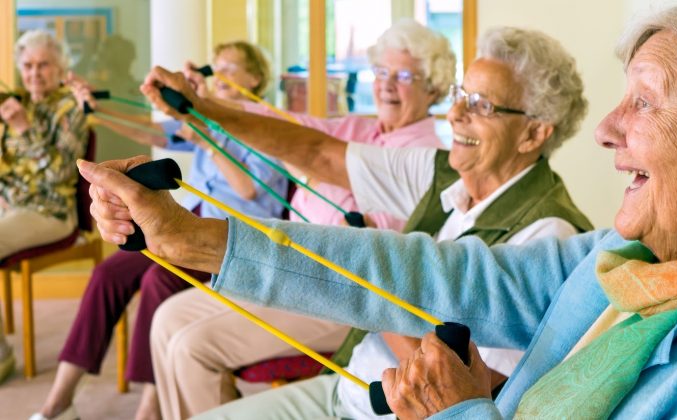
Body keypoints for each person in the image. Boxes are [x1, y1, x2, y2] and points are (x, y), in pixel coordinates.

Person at [85, 1, 677, 418]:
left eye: (645, 102)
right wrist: (194, 239)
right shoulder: (636, 258)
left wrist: (454, 409)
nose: (606, 130)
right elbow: (433, 272)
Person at [151, 25, 591, 419]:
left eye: (481, 105)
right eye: (461, 96)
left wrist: (370, 285)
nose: (456, 115)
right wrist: (200, 109)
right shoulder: (442, 172)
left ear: (534, 133)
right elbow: (318, 152)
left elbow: (488, 388)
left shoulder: (550, 234)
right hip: (345, 388)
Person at [149, 20, 455, 419]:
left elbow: (377, 250)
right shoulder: (358, 128)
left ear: (432, 87)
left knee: (191, 347)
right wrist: (204, 104)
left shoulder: (426, 156)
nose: (386, 84)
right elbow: (292, 130)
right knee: (167, 319)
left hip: (338, 293)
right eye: (381, 72)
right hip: (285, 268)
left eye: (403, 76)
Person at [32, 41, 288, 420]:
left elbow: (249, 190)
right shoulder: (208, 118)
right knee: (109, 273)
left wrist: (207, 139)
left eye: (231, 68)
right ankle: (60, 401)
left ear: (257, 76)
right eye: (216, 67)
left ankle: (150, 407)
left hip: (236, 238)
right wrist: (98, 111)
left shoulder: (265, 125)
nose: (220, 75)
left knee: (157, 278)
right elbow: (148, 131)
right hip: (192, 223)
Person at [0, 30, 88, 386]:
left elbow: (59, 174)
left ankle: (1, 357)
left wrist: (23, 127)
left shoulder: (70, 108)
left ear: (60, 67)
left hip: (52, 212)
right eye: (28, 65)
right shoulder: (18, 101)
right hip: (12, 207)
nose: (35, 73)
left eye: (44, 65)